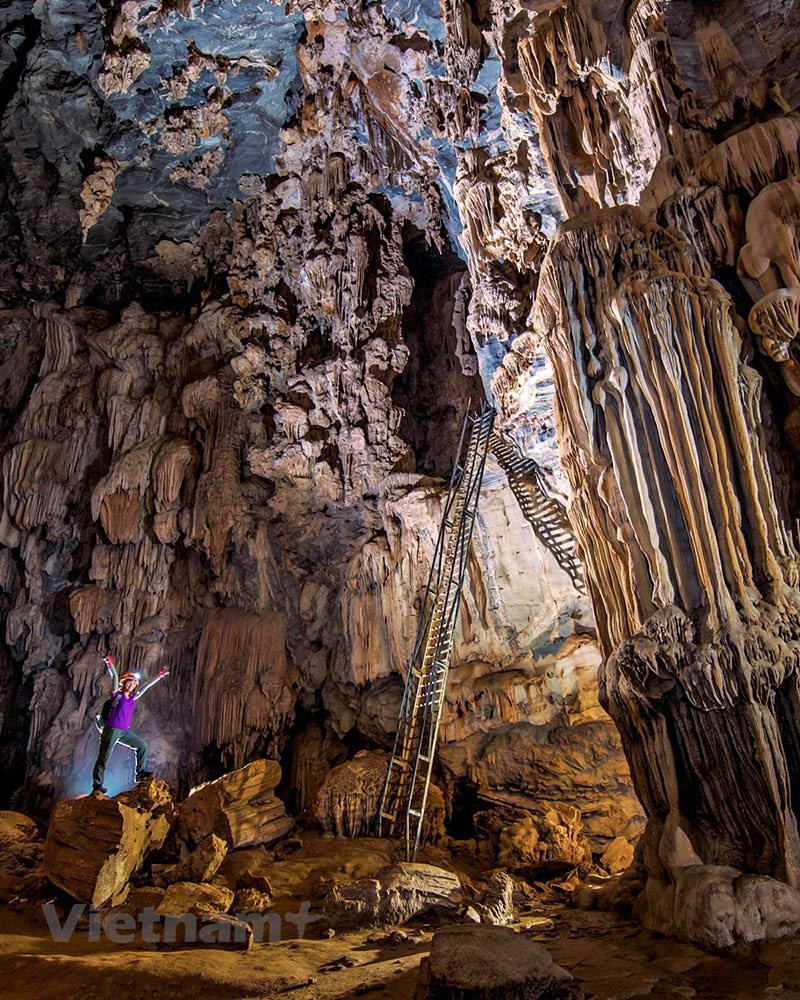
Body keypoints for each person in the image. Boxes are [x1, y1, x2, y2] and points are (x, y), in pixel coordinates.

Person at [91, 654, 169, 794]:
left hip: (123, 732)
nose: (131, 684)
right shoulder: (117, 695)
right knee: (104, 757)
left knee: (142, 745)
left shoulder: (133, 697)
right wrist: (110, 664)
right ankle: (97, 785)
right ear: (124, 682)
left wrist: (159, 676)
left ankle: (139, 773)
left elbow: (146, 686)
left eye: (133, 683)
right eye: (129, 682)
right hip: (112, 730)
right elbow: (115, 677)